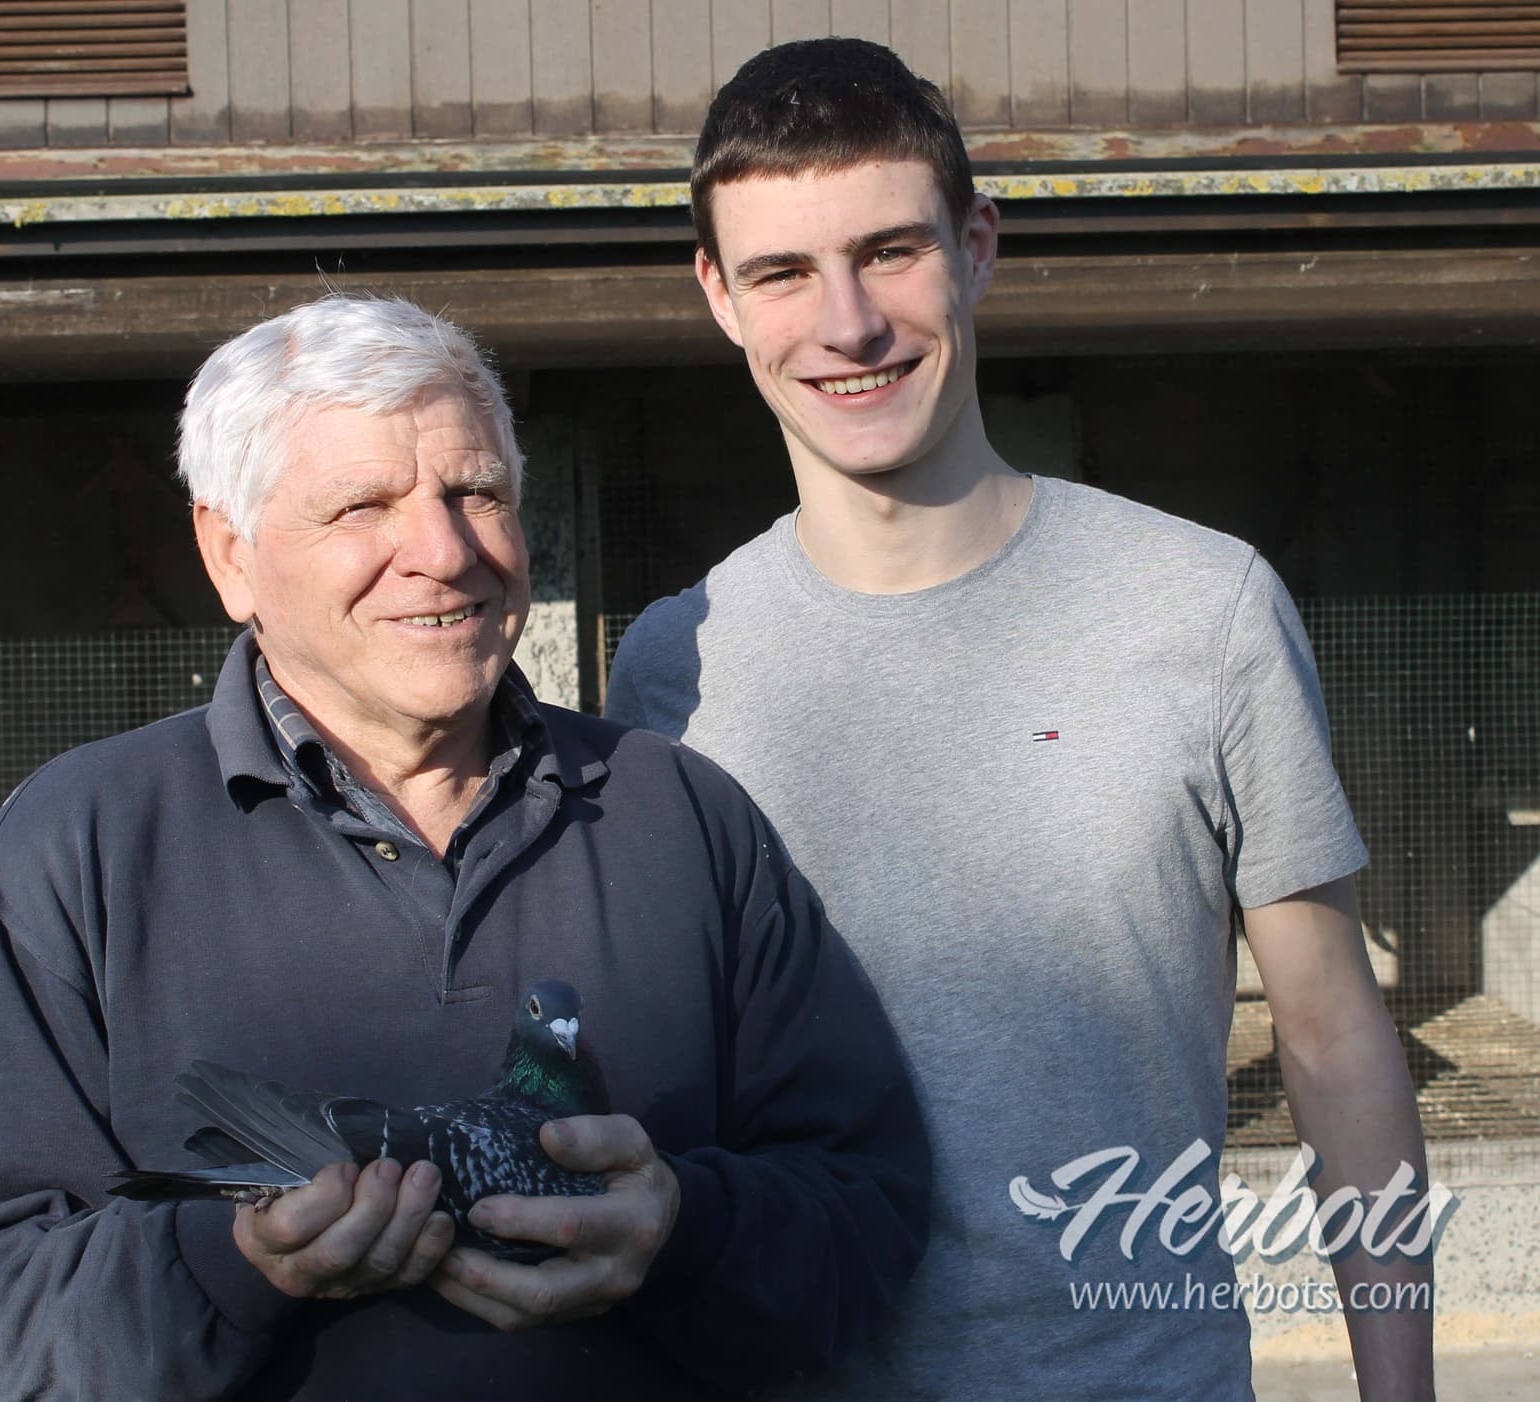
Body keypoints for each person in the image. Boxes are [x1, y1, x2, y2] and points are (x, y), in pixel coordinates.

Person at [0, 294, 930, 1401]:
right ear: (230, 555)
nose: (442, 552)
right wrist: (235, 1264)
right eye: (362, 507)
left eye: (475, 492)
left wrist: (683, 1231)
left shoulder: (681, 816)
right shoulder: (82, 849)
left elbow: (865, 1219)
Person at [606, 37, 1434, 1402]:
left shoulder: (1204, 607)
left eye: (889, 251)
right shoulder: (672, 666)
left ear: (976, 246)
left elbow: (1336, 1037)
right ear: (719, 296)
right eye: (783, 271)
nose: (849, 323)